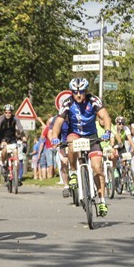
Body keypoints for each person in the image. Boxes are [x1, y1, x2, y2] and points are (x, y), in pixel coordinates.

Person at [49, 78, 112, 216]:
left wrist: (107, 131)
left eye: (81, 91)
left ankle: (101, 201)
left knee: (97, 168)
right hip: (75, 134)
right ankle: (73, 173)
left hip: (92, 136)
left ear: (86, 91)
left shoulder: (93, 100)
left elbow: (105, 116)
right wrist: (54, 137)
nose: (78, 94)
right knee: (71, 143)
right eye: (75, 92)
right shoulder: (67, 102)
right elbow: (58, 122)